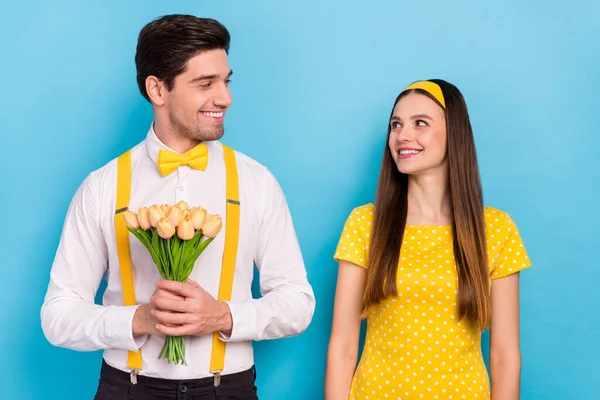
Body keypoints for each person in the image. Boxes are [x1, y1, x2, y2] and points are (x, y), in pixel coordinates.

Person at [41, 14, 315, 400]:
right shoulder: (102, 187)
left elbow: (297, 302)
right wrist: (139, 319)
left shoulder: (257, 182)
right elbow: (58, 315)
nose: (225, 97)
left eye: (226, 80)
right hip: (128, 389)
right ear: (157, 89)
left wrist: (223, 316)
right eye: (205, 84)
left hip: (228, 389)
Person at [325, 79, 531, 399]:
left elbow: (505, 355)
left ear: (455, 134)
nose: (402, 135)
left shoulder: (496, 230)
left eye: (420, 123)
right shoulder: (365, 224)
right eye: (396, 125)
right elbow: (343, 346)